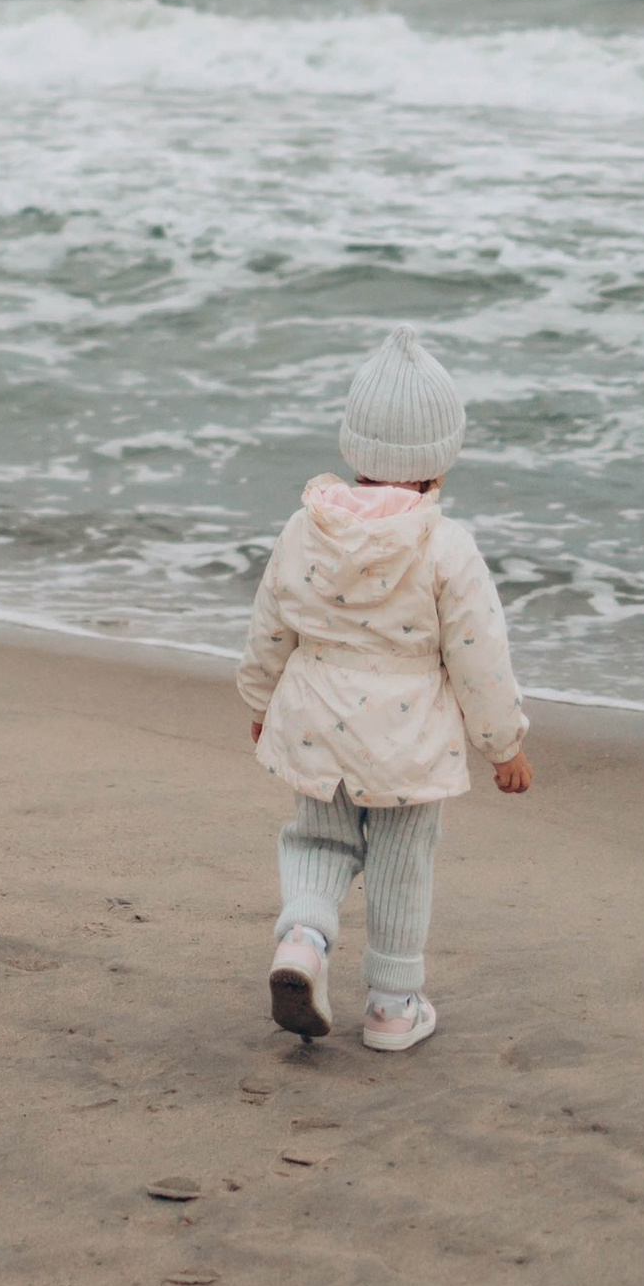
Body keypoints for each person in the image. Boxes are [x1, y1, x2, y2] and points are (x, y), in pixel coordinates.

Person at [236, 328, 530, 1054]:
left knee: (317, 837)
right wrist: (504, 743)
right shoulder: (444, 545)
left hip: (313, 720)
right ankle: (395, 1008)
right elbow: (478, 657)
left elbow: (271, 621)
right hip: (406, 742)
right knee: (402, 860)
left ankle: (304, 937)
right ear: (442, 458)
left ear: (353, 448)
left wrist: (259, 698)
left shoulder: (308, 526)